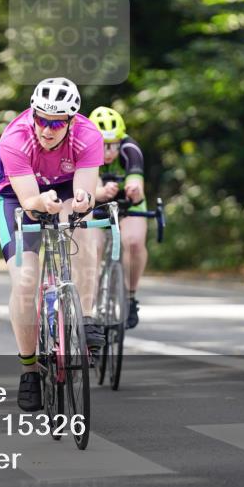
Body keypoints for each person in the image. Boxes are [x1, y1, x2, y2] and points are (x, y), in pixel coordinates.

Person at [0, 78, 104, 411]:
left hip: (65, 189)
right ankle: (29, 370)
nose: (47, 129)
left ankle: (87, 318)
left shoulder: (88, 136)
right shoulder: (15, 138)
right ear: (32, 114)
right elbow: (29, 201)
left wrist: (81, 201)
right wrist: (43, 202)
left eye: (56, 122)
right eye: (41, 118)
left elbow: (83, 195)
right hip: (19, 195)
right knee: (25, 281)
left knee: (82, 230)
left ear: (71, 121)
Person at [89, 106, 148, 329]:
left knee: (133, 242)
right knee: (92, 247)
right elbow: (89, 190)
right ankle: (89, 303)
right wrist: (101, 192)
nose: (108, 151)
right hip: (94, 201)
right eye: (103, 145)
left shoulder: (130, 148)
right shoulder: (83, 149)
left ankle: (130, 296)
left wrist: (134, 190)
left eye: (113, 144)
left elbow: (137, 184)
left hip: (126, 202)